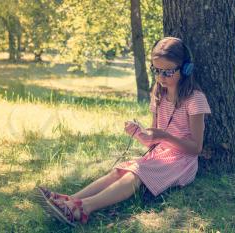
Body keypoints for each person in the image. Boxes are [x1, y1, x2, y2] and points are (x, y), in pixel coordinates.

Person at [35, 37, 211, 227]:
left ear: (186, 69)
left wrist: (163, 136)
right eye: (156, 71)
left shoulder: (195, 99)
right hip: (160, 155)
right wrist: (141, 134)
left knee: (134, 174)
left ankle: (84, 209)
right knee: (120, 171)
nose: (161, 77)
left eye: (168, 72)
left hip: (181, 161)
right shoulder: (159, 94)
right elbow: (152, 142)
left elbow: (195, 148)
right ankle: (69, 201)